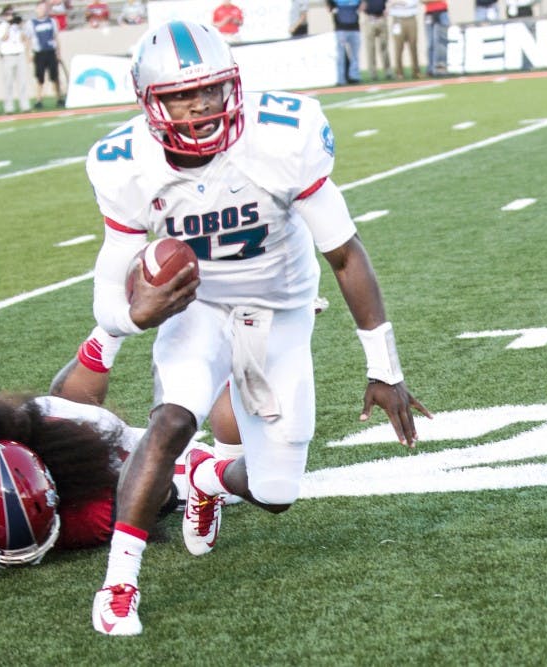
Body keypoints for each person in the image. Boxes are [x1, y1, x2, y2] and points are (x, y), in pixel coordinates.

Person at [85, 20, 429, 636]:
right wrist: (131, 317)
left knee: (275, 494)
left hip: (282, 313)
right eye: (180, 96)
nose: (199, 105)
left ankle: (205, 474)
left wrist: (385, 368)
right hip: (201, 308)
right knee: (170, 419)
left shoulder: (283, 135)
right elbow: (107, 289)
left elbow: (345, 254)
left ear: (232, 85)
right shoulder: (125, 163)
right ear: (149, 101)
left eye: (210, 90)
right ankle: (118, 584)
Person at [0, 327, 237, 586]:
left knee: (207, 474)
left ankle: (117, 339)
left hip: (76, 436)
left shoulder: (91, 514)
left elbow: (156, 496)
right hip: (16, 437)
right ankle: (107, 337)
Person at [0, 4, 33, 114]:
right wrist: (9, 26)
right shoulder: (0, 27)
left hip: (19, 54)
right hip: (8, 55)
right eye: (7, 14)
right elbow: (4, 38)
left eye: (11, 14)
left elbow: (25, 38)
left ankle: (25, 105)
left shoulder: (18, 27)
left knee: (22, 82)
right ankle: (9, 107)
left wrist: (20, 25)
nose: (10, 16)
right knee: (8, 82)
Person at [29, 0, 64, 109]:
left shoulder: (52, 21)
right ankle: (39, 99)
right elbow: (27, 39)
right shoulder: (31, 23)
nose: (42, 10)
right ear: (36, 9)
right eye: (40, 8)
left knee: (55, 76)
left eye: (44, 8)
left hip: (50, 51)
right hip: (39, 52)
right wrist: (29, 53)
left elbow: (56, 37)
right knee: (40, 77)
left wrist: (58, 52)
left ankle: (59, 98)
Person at [328, 0, 362, 85]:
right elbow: (329, 8)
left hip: (354, 27)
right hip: (341, 28)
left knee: (355, 55)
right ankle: (341, 78)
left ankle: (354, 76)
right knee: (340, 56)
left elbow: (362, 6)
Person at [388, 0, 420, 79]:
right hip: (397, 20)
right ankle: (399, 72)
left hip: (411, 18)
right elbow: (391, 2)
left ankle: (416, 71)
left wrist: (398, 2)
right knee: (398, 47)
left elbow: (412, 2)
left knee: (413, 45)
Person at [362, 0, 391, 81]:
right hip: (370, 18)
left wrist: (387, 9)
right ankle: (373, 73)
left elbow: (388, 2)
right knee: (370, 48)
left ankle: (387, 71)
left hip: (381, 18)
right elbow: (362, 4)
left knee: (384, 46)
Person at [422, 0, 448, 76]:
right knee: (431, 43)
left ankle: (441, 68)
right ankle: (431, 69)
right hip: (429, 14)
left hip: (442, 13)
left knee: (442, 43)